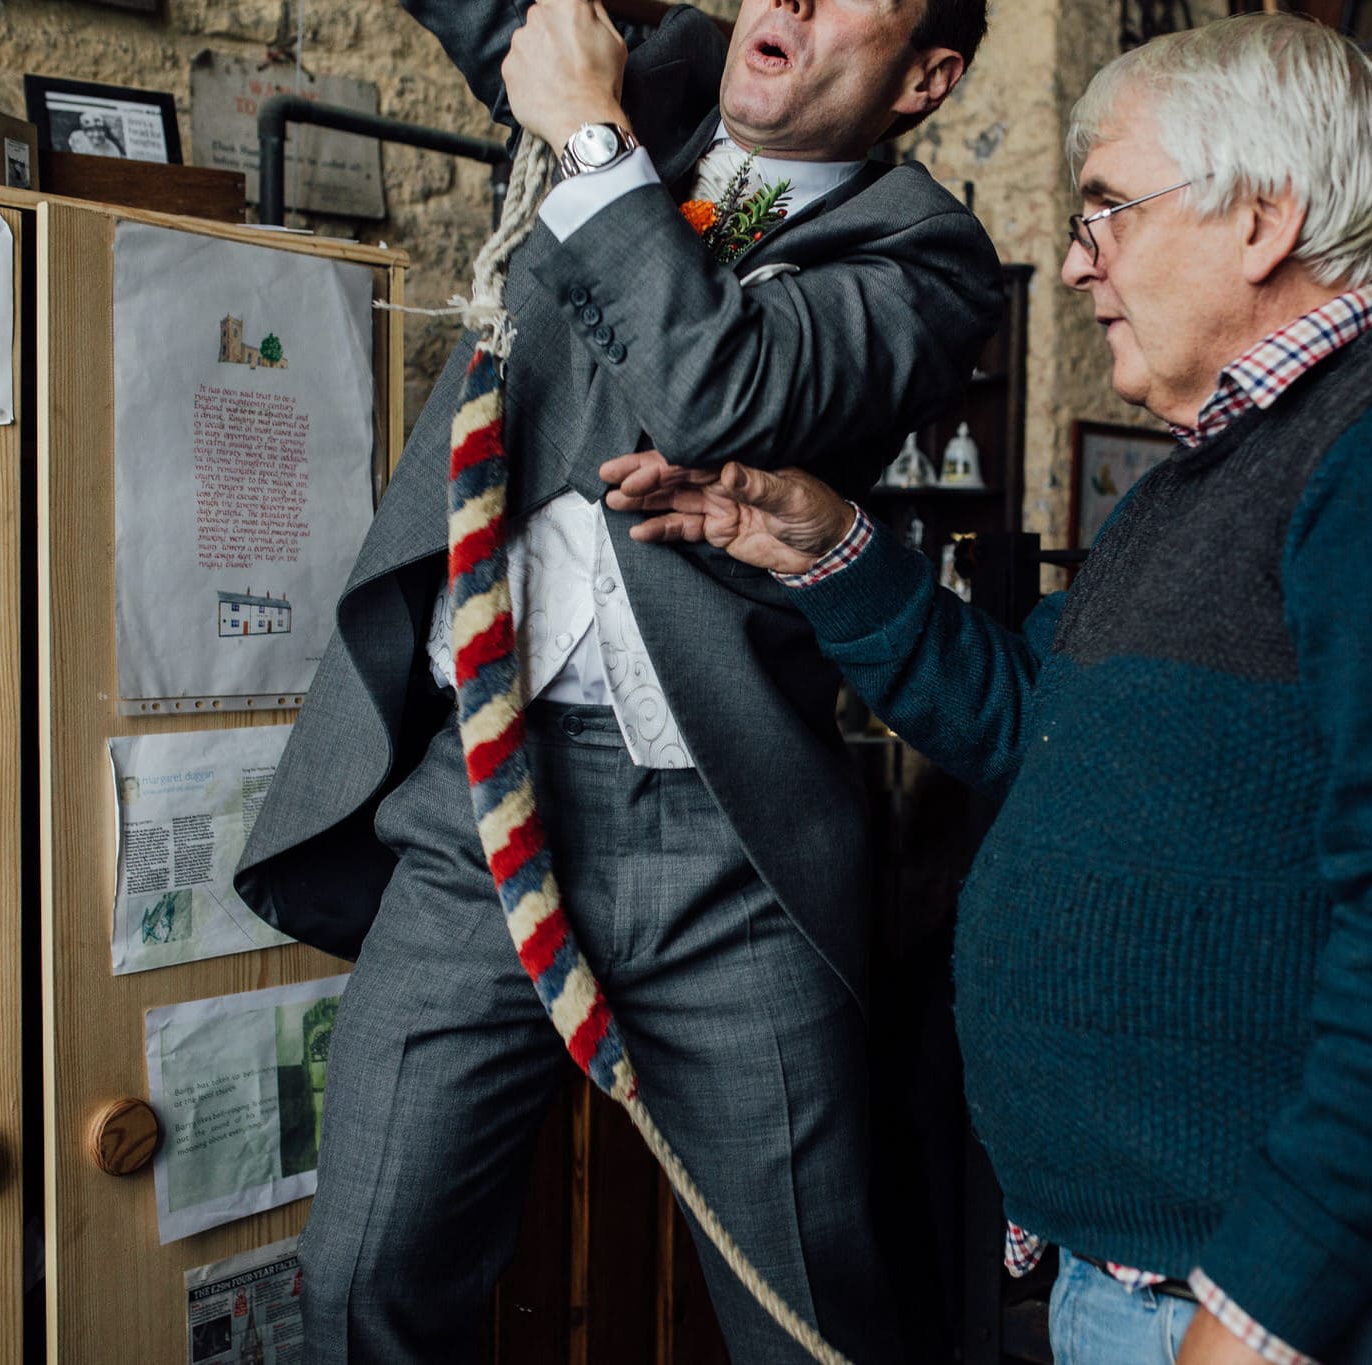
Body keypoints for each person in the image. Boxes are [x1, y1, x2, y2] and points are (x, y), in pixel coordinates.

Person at [610, 15, 1372, 1364]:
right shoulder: (1204, 480)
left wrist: (1268, 1299)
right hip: (1162, 1285)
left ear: (1262, 218)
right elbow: (1030, 729)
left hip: (1318, 1311)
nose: (1081, 261)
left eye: (1107, 208)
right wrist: (830, 553)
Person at [233, 0, 1003, 1360]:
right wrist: (596, 104)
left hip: (727, 844)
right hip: (475, 794)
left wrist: (593, 143)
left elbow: (731, 390)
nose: (790, 3)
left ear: (925, 80)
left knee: (809, 1316)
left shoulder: (928, 256)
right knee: (359, 1280)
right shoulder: (664, 78)